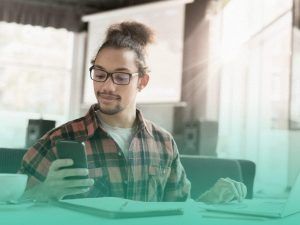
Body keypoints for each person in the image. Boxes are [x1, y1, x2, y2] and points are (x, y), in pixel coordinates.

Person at [20, 21, 246, 203]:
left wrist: (210, 199)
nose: (107, 86)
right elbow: (11, 206)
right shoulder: (59, 140)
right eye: (100, 74)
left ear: (142, 82)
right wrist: (43, 192)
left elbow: (181, 210)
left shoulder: (164, 143)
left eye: (121, 77)